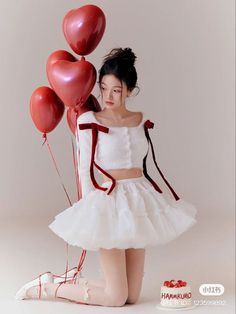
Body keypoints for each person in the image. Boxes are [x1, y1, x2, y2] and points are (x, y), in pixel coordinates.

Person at [15, 47, 197, 307]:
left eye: (116, 90)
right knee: (116, 297)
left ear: (130, 91)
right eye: (104, 88)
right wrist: (92, 211)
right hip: (109, 200)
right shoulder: (89, 120)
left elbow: (142, 164)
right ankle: (47, 288)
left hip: (139, 198)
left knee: (132, 297)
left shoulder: (140, 120)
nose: (108, 96)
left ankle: (68, 282)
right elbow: (83, 167)